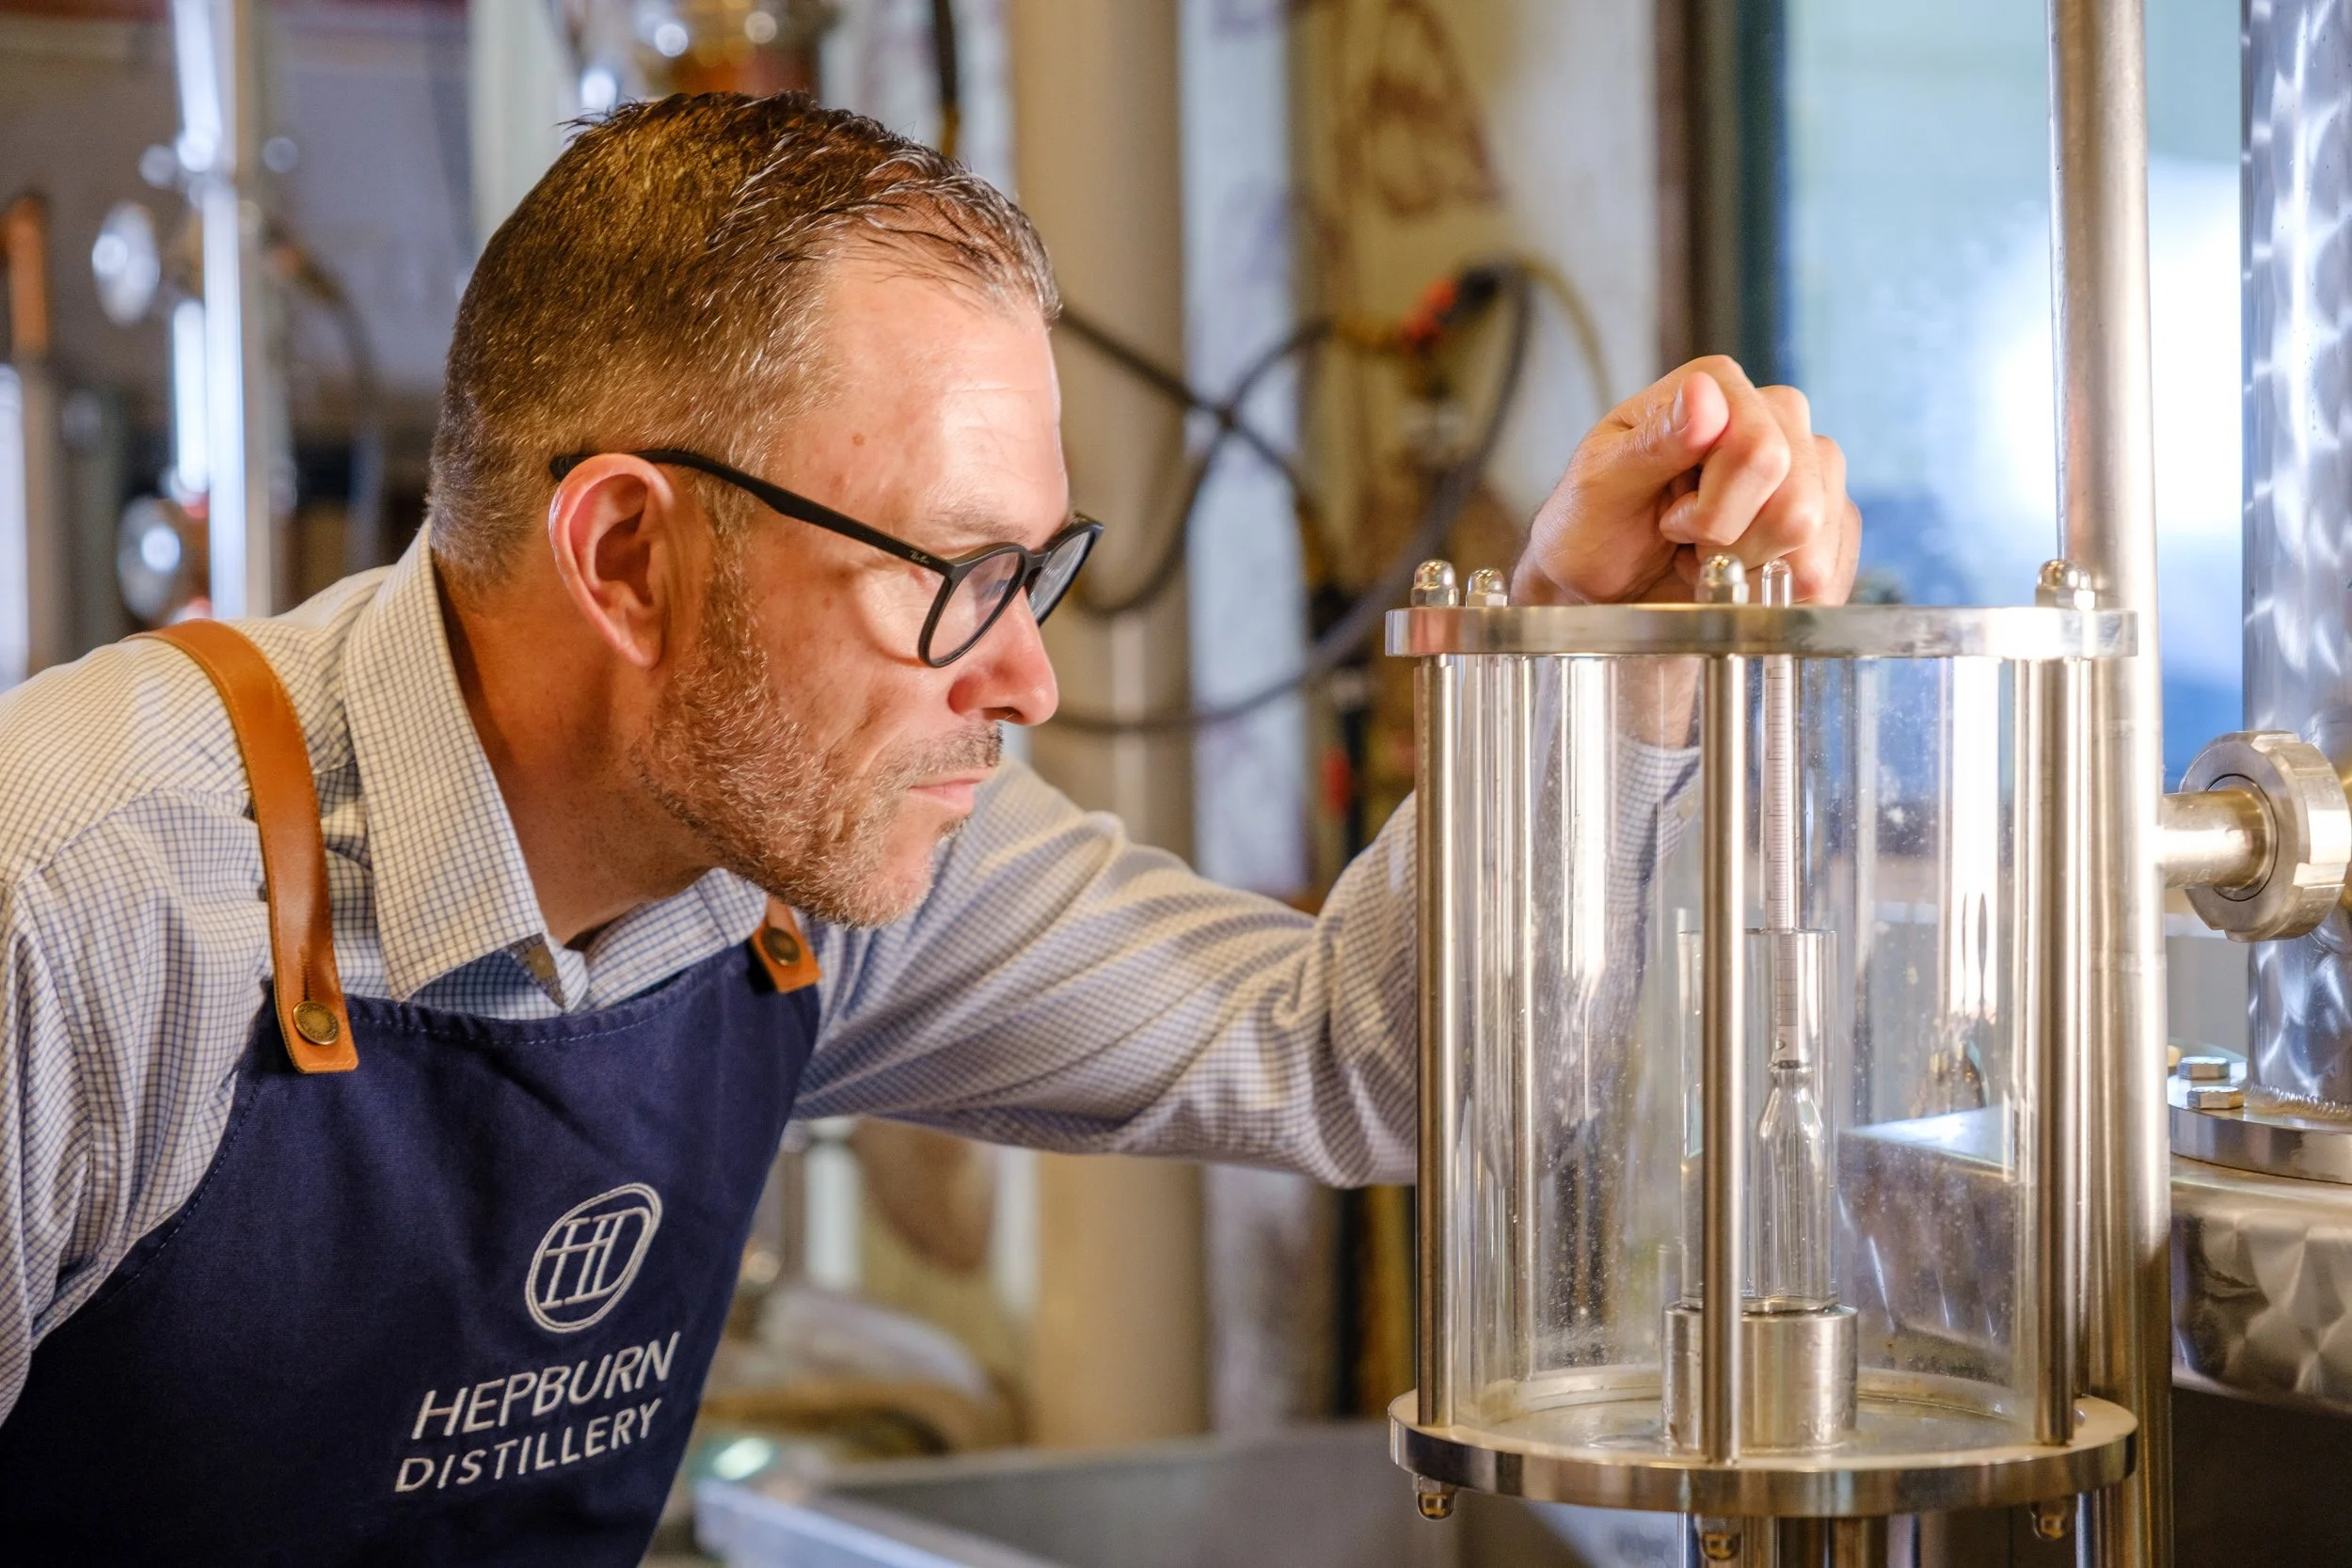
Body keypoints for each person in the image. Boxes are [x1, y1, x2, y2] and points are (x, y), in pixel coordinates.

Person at [0, 94, 1857, 1562]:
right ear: (630, 556)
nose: (1029, 681)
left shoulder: (813, 879)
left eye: (1035, 569)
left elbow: (1352, 1058)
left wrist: (1593, 662)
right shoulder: (75, 901)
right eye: (955, 577)